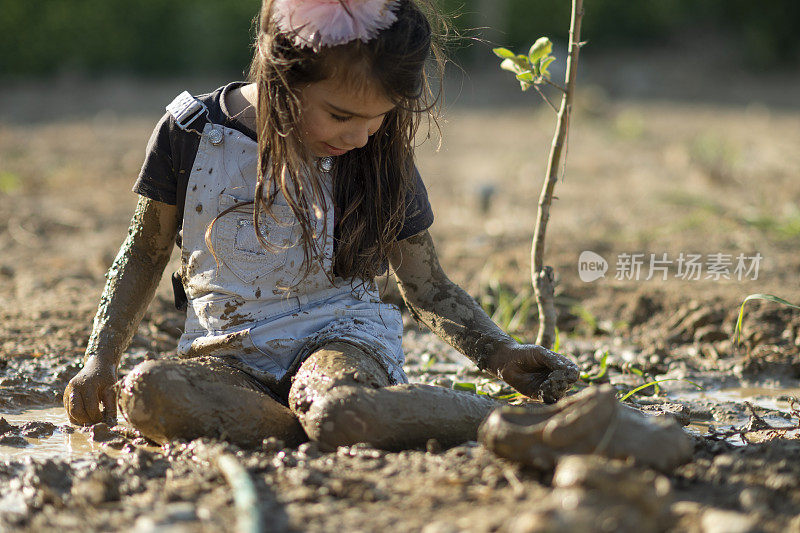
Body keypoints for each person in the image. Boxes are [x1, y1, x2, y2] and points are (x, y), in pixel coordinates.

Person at [63, 0, 580, 450]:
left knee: (337, 407)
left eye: (378, 117)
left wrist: (499, 354)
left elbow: (426, 286)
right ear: (279, 72)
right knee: (147, 393)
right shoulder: (190, 133)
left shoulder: (378, 155)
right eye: (339, 116)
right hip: (225, 352)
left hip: (340, 340)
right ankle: (320, 428)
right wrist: (100, 361)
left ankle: (533, 424)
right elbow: (145, 251)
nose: (361, 135)